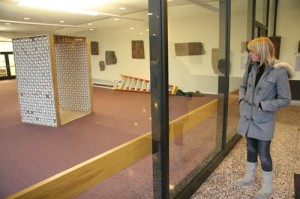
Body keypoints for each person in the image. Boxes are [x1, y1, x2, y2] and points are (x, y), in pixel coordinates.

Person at [234, 37, 294, 199]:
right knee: (250, 148)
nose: (249, 54)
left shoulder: (279, 72)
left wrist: (263, 105)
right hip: (247, 117)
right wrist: (242, 99)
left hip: (263, 120)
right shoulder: (251, 67)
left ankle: (268, 187)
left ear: (261, 51)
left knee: (264, 153)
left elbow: (285, 99)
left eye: (252, 51)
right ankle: (249, 177)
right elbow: (243, 86)